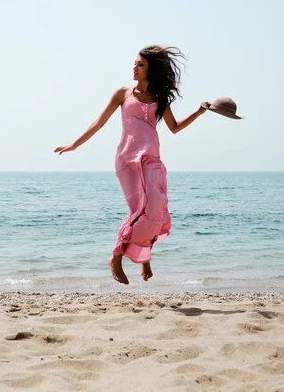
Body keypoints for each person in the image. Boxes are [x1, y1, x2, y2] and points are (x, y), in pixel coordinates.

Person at [54, 45, 210, 285]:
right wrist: (74, 145)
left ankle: (145, 256)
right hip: (127, 160)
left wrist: (199, 112)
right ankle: (116, 257)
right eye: (135, 64)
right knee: (139, 210)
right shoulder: (122, 93)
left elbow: (175, 128)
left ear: (151, 69)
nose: (134, 68)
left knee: (155, 208)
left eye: (140, 65)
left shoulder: (159, 97)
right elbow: (99, 122)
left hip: (152, 159)